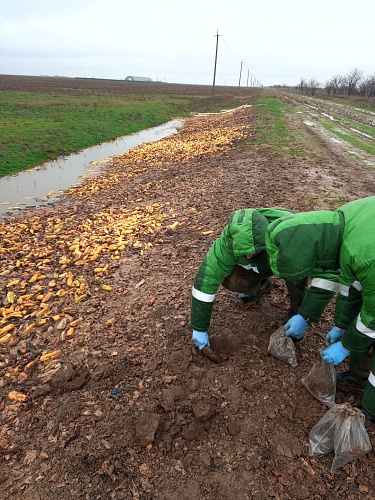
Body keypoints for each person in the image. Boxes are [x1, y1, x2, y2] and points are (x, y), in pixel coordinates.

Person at [265, 196, 375, 422]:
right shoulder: (342, 225)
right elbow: (352, 285)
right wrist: (342, 326)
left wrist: (346, 346)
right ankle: (360, 376)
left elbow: (373, 318)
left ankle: (372, 411)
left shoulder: (362, 255)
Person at [190, 207, 339, 350]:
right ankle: (262, 285)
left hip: (284, 256)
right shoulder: (228, 242)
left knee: (296, 272)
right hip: (263, 264)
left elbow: (327, 272)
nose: (248, 256)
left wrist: (305, 316)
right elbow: (206, 279)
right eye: (245, 253)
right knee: (232, 279)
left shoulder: (291, 235)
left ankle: (297, 310)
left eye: (253, 252)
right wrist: (199, 327)